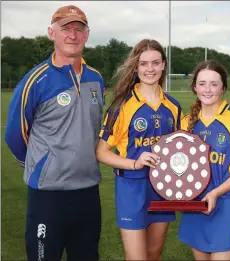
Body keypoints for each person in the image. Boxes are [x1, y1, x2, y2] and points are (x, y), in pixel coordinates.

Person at [5, 5, 104, 261]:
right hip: (48, 195)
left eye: (78, 29)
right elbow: (15, 134)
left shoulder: (97, 78)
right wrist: (40, 166)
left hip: (87, 192)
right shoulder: (34, 81)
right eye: (65, 29)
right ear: (52, 33)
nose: (72, 35)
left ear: (87, 35)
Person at [96, 39, 183, 260]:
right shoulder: (121, 105)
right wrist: (135, 163)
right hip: (131, 189)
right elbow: (101, 151)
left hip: (162, 189)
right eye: (144, 64)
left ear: (164, 65)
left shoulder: (173, 107)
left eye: (155, 63)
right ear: (136, 67)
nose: (150, 69)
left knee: (154, 253)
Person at [178, 60, 230, 260]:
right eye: (202, 83)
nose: (207, 89)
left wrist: (215, 193)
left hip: (227, 205)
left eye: (214, 84)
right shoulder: (186, 123)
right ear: (195, 87)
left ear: (223, 88)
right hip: (195, 205)